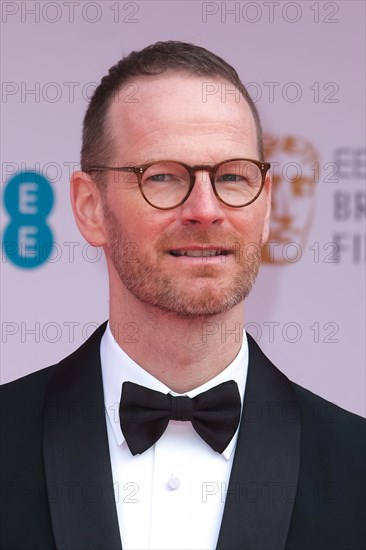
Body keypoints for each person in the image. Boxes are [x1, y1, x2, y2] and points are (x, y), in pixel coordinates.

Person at [1, 41, 364, 550]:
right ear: (89, 207)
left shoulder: (356, 467)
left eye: (233, 176)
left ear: (266, 206)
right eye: (164, 177)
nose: (205, 209)